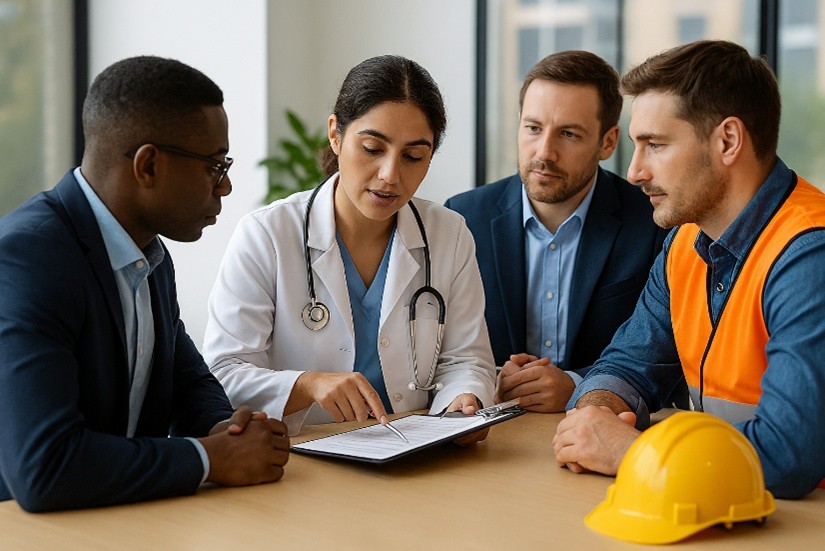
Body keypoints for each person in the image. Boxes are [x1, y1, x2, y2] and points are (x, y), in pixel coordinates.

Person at [0, 56, 290, 513]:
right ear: (149, 166)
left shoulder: (150, 255)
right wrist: (211, 459)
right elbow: (45, 467)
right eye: (215, 166)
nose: (226, 187)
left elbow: (186, 380)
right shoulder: (29, 258)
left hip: (124, 520)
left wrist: (225, 429)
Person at [552, 39, 825, 499]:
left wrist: (632, 451)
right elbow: (627, 364)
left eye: (655, 145)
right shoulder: (684, 243)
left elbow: (788, 455)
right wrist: (595, 413)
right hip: (719, 502)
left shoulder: (809, 255)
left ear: (728, 141)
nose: (634, 172)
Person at [203, 55, 496, 442]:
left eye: (413, 156)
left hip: (414, 453)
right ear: (335, 135)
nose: (390, 175)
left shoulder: (448, 234)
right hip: (302, 455)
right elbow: (223, 373)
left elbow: (466, 359)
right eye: (372, 148)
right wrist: (307, 385)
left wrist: (463, 402)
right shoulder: (267, 235)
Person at [445, 50, 673, 412]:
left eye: (568, 134)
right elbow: (441, 350)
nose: (545, 152)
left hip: (600, 423)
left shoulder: (653, 223)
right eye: (533, 128)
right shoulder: (462, 218)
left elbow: (668, 356)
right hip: (491, 428)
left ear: (608, 142)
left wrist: (577, 384)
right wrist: (483, 381)